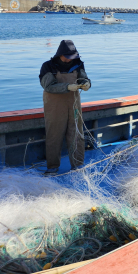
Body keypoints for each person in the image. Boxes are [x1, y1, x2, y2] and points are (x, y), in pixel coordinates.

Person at [39, 40, 91, 176]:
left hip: (73, 105)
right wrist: (67, 87)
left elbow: (84, 78)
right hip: (54, 106)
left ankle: (78, 165)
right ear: (60, 54)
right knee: (54, 135)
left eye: (72, 57)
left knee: (76, 134)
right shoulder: (48, 66)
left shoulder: (78, 64)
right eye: (67, 57)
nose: (69, 60)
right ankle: (52, 167)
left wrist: (86, 83)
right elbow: (48, 86)